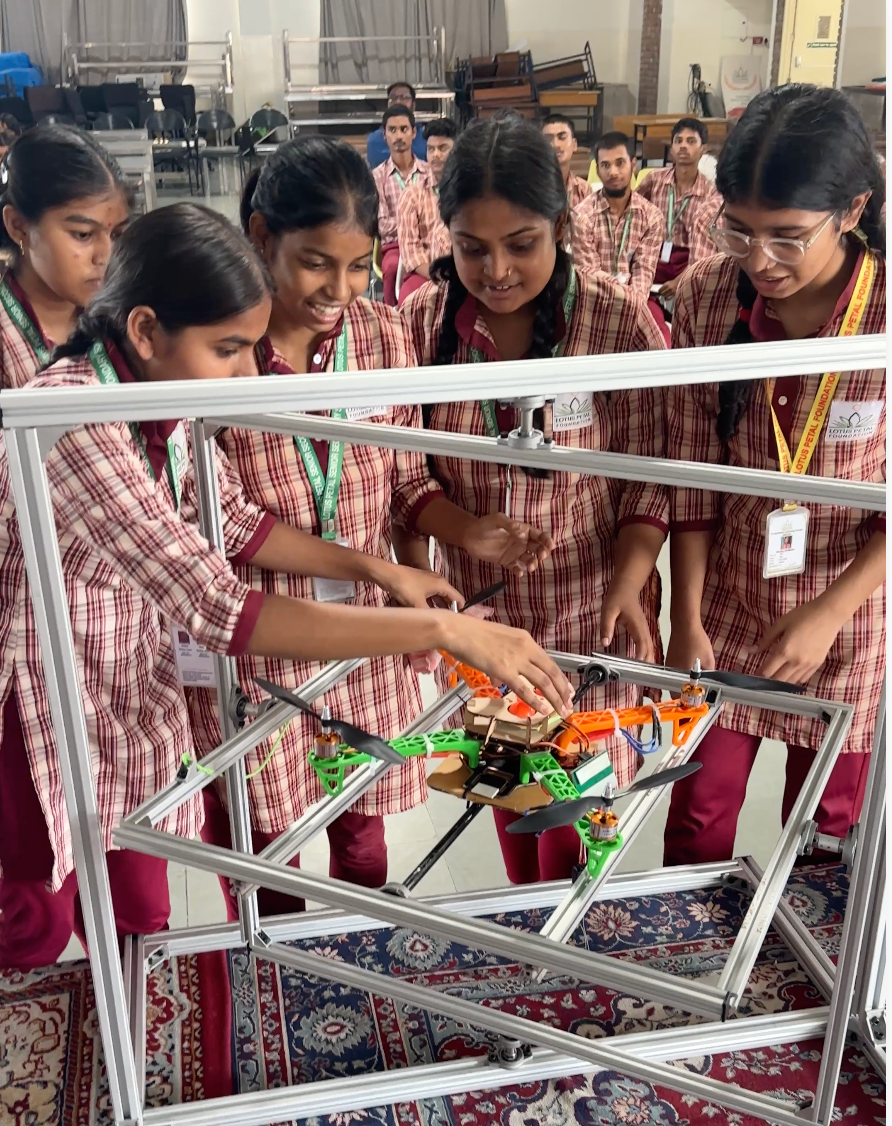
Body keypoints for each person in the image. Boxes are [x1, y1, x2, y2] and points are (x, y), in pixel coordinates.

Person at [0, 202, 574, 969]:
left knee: (140, 912)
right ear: (144, 331)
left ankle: (134, 1021)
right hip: (40, 707)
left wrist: (379, 569)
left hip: (122, 686)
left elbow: (233, 520)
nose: (247, 374)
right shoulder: (80, 423)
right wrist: (447, 629)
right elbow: (218, 607)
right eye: (228, 349)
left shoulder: (156, 402)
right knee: (36, 924)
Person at [195, 137, 556, 918]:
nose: (340, 289)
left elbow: (404, 480)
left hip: (365, 643)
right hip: (268, 644)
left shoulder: (383, 337)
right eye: (316, 263)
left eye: (359, 265)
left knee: (362, 831)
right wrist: (379, 570)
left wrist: (465, 531)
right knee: (267, 849)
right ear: (261, 237)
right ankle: (272, 970)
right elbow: (231, 523)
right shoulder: (222, 351)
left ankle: (361, 952)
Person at [402, 117, 668, 885]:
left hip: (595, 610)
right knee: (511, 795)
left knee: (581, 812)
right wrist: (463, 530)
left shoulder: (615, 321)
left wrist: (631, 581)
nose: (496, 271)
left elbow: (651, 470)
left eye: (521, 244)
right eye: (471, 248)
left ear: (559, 225)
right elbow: (403, 472)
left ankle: (572, 923)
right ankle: (523, 918)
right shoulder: (422, 325)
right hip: (484, 621)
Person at [662, 84, 885, 866]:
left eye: (788, 237)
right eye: (739, 230)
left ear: (852, 211)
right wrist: (686, 619)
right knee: (698, 810)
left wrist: (830, 612)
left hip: (853, 610)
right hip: (729, 600)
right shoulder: (706, 300)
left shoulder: (881, 315)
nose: (760, 261)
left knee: (826, 827)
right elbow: (693, 477)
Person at [0, 124, 131, 387]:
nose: (106, 257)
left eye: (117, 235)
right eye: (83, 234)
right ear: (18, 227)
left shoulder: (127, 316)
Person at [571, 131, 665, 310]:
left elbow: (643, 273)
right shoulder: (581, 216)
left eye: (620, 163)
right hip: (594, 303)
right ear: (597, 170)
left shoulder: (651, 217)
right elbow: (591, 278)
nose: (613, 172)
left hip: (635, 303)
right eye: (605, 165)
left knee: (659, 327)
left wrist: (630, 308)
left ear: (633, 164)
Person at [636, 117, 722, 310]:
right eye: (678, 141)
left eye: (691, 141)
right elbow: (633, 211)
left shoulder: (710, 193)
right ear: (672, 148)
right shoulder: (654, 180)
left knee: (695, 291)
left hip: (688, 260)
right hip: (654, 255)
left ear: (703, 149)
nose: (683, 146)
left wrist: (681, 280)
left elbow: (705, 253)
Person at [372, 105, 433, 305]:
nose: (398, 136)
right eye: (392, 130)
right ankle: (392, 316)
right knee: (392, 267)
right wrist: (414, 225)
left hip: (428, 242)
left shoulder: (429, 172)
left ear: (414, 133)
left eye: (404, 129)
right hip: (395, 246)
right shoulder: (377, 177)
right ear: (384, 135)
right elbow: (382, 225)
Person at [396, 117, 456, 303]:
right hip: (425, 273)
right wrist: (437, 276)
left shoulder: (469, 193)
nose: (435, 155)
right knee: (411, 299)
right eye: (431, 149)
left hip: (462, 272)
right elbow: (410, 251)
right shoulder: (411, 195)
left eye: (442, 148)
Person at [366, 81, 428, 169]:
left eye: (404, 97)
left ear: (413, 105)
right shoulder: (374, 140)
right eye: (393, 97)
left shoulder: (426, 137)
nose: (398, 101)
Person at [541, 113, 590, 209]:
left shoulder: (584, 190)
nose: (555, 144)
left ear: (574, 144)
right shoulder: (533, 187)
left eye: (562, 137)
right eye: (548, 139)